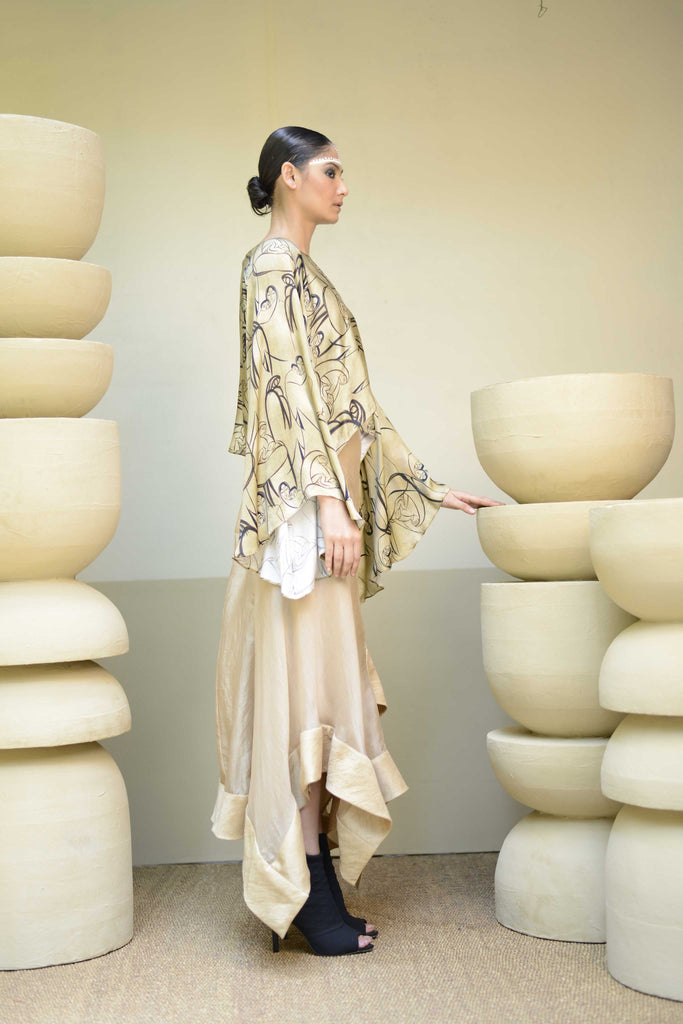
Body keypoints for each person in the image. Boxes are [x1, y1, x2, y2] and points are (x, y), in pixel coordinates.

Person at [210, 126, 502, 957]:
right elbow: (287, 400)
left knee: (320, 706)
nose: (342, 186)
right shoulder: (271, 266)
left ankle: (315, 887)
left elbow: (353, 407)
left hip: (322, 515)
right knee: (304, 707)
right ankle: (303, 890)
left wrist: (425, 486)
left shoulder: (304, 272)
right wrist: (330, 507)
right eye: (330, 172)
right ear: (288, 176)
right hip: (303, 524)